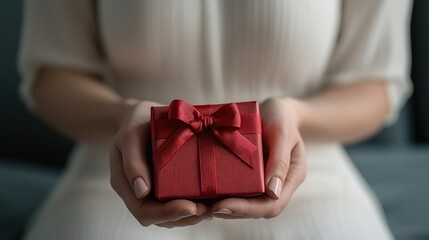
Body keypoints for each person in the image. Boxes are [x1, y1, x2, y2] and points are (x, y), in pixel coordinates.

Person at [18, 0, 412, 239]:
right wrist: (126, 116)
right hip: (116, 181)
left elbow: (375, 85)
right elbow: (53, 76)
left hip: (308, 181)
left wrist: (295, 115)